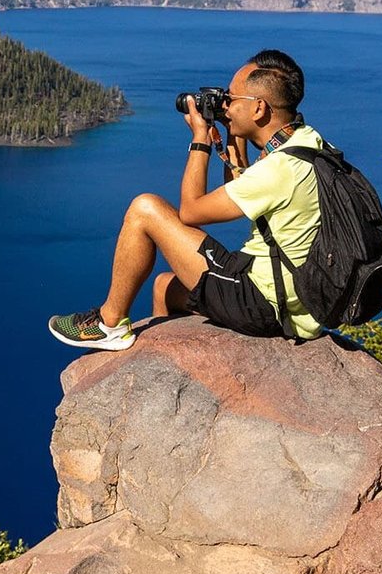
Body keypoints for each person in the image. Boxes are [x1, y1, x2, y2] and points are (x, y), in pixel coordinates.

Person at [47, 49, 326, 350]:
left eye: (232, 99)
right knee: (165, 286)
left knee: (145, 208)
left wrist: (200, 139)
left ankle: (109, 323)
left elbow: (191, 213)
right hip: (297, 302)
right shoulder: (308, 143)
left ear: (258, 108)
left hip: (264, 303)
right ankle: (158, 364)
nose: (226, 105)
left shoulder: (277, 170)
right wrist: (235, 135)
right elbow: (246, 193)